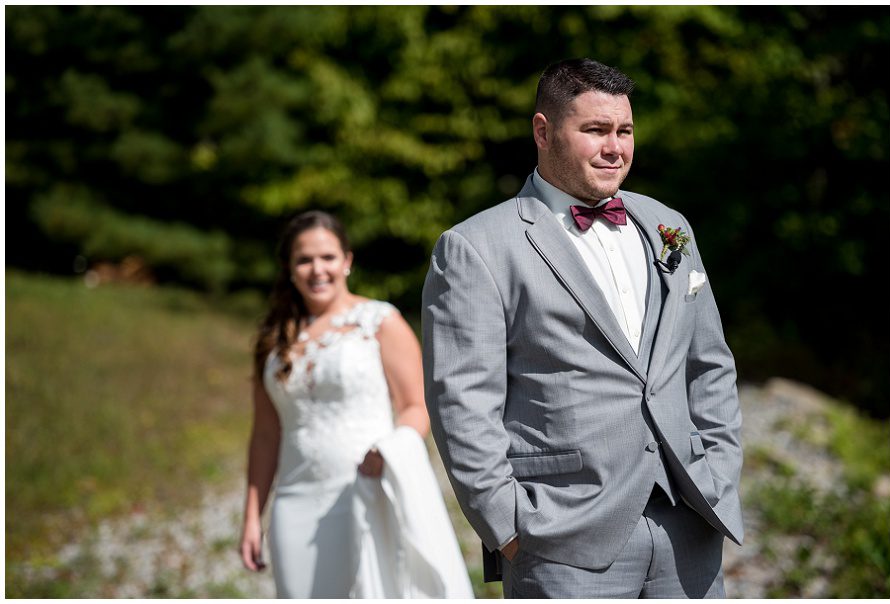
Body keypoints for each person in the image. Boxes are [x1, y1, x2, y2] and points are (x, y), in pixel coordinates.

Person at [422, 58, 743, 598]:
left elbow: (708, 363)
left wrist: (720, 472)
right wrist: (508, 529)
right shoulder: (475, 248)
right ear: (543, 131)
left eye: (624, 131)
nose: (615, 147)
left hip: (688, 524)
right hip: (559, 541)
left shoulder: (669, 226)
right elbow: (462, 403)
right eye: (595, 130)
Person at [240, 210, 472, 598]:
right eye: (304, 259)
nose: (317, 269)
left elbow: (417, 406)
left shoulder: (380, 321)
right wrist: (251, 516)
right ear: (289, 268)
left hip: (365, 492)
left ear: (346, 261)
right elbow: (265, 435)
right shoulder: (274, 341)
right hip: (293, 505)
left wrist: (389, 449)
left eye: (328, 257)